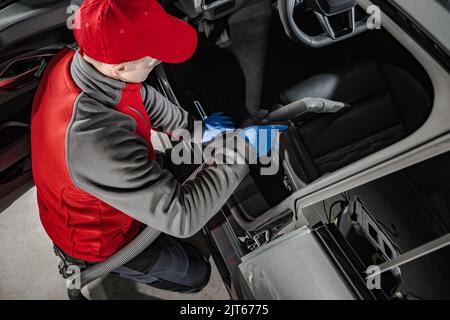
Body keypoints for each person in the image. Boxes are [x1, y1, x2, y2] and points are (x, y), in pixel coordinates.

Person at [31, 0, 282, 293]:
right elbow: (183, 216)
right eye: (152, 62)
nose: (158, 64)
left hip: (100, 181)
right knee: (197, 274)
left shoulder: (79, 59)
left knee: (181, 165)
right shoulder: (93, 140)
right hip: (101, 237)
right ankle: (83, 264)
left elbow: (138, 94)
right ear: (121, 67)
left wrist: (192, 128)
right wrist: (244, 150)